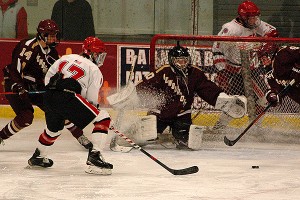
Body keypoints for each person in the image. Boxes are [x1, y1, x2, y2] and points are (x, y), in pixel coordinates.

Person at [109, 42, 247, 150]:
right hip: (160, 113)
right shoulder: (164, 72)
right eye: (179, 61)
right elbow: (144, 86)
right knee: (145, 136)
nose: (182, 64)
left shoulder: (195, 74)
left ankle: (177, 136)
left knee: (189, 143)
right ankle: (127, 135)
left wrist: (223, 100)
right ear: (172, 60)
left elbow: (208, 90)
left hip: (182, 114)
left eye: (184, 60)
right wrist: (129, 96)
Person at [0, 19, 93, 150]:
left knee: (60, 108)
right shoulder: (28, 46)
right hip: (16, 83)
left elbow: (56, 73)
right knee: (26, 117)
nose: (54, 38)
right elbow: (16, 70)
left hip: (36, 87)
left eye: (55, 35)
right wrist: (19, 87)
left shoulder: (52, 53)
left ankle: (79, 136)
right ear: (41, 35)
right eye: (51, 35)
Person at [27, 36, 113, 175]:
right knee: (103, 117)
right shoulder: (95, 70)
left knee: (53, 129)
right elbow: (90, 100)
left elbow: (48, 78)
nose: (99, 58)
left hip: (49, 96)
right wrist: (96, 118)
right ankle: (95, 158)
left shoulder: (65, 58)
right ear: (90, 52)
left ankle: (38, 157)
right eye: (98, 54)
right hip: (68, 95)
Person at [212, 0, 277, 95]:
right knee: (237, 104)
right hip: (233, 72)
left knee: (264, 99)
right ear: (243, 17)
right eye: (252, 18)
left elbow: (273, 32)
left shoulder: (253, 23)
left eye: (256, 17)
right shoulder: (231, 28)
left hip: (251, 70)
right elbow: (217, 48)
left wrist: (264, 49)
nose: (255, 20)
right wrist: (221, 70)